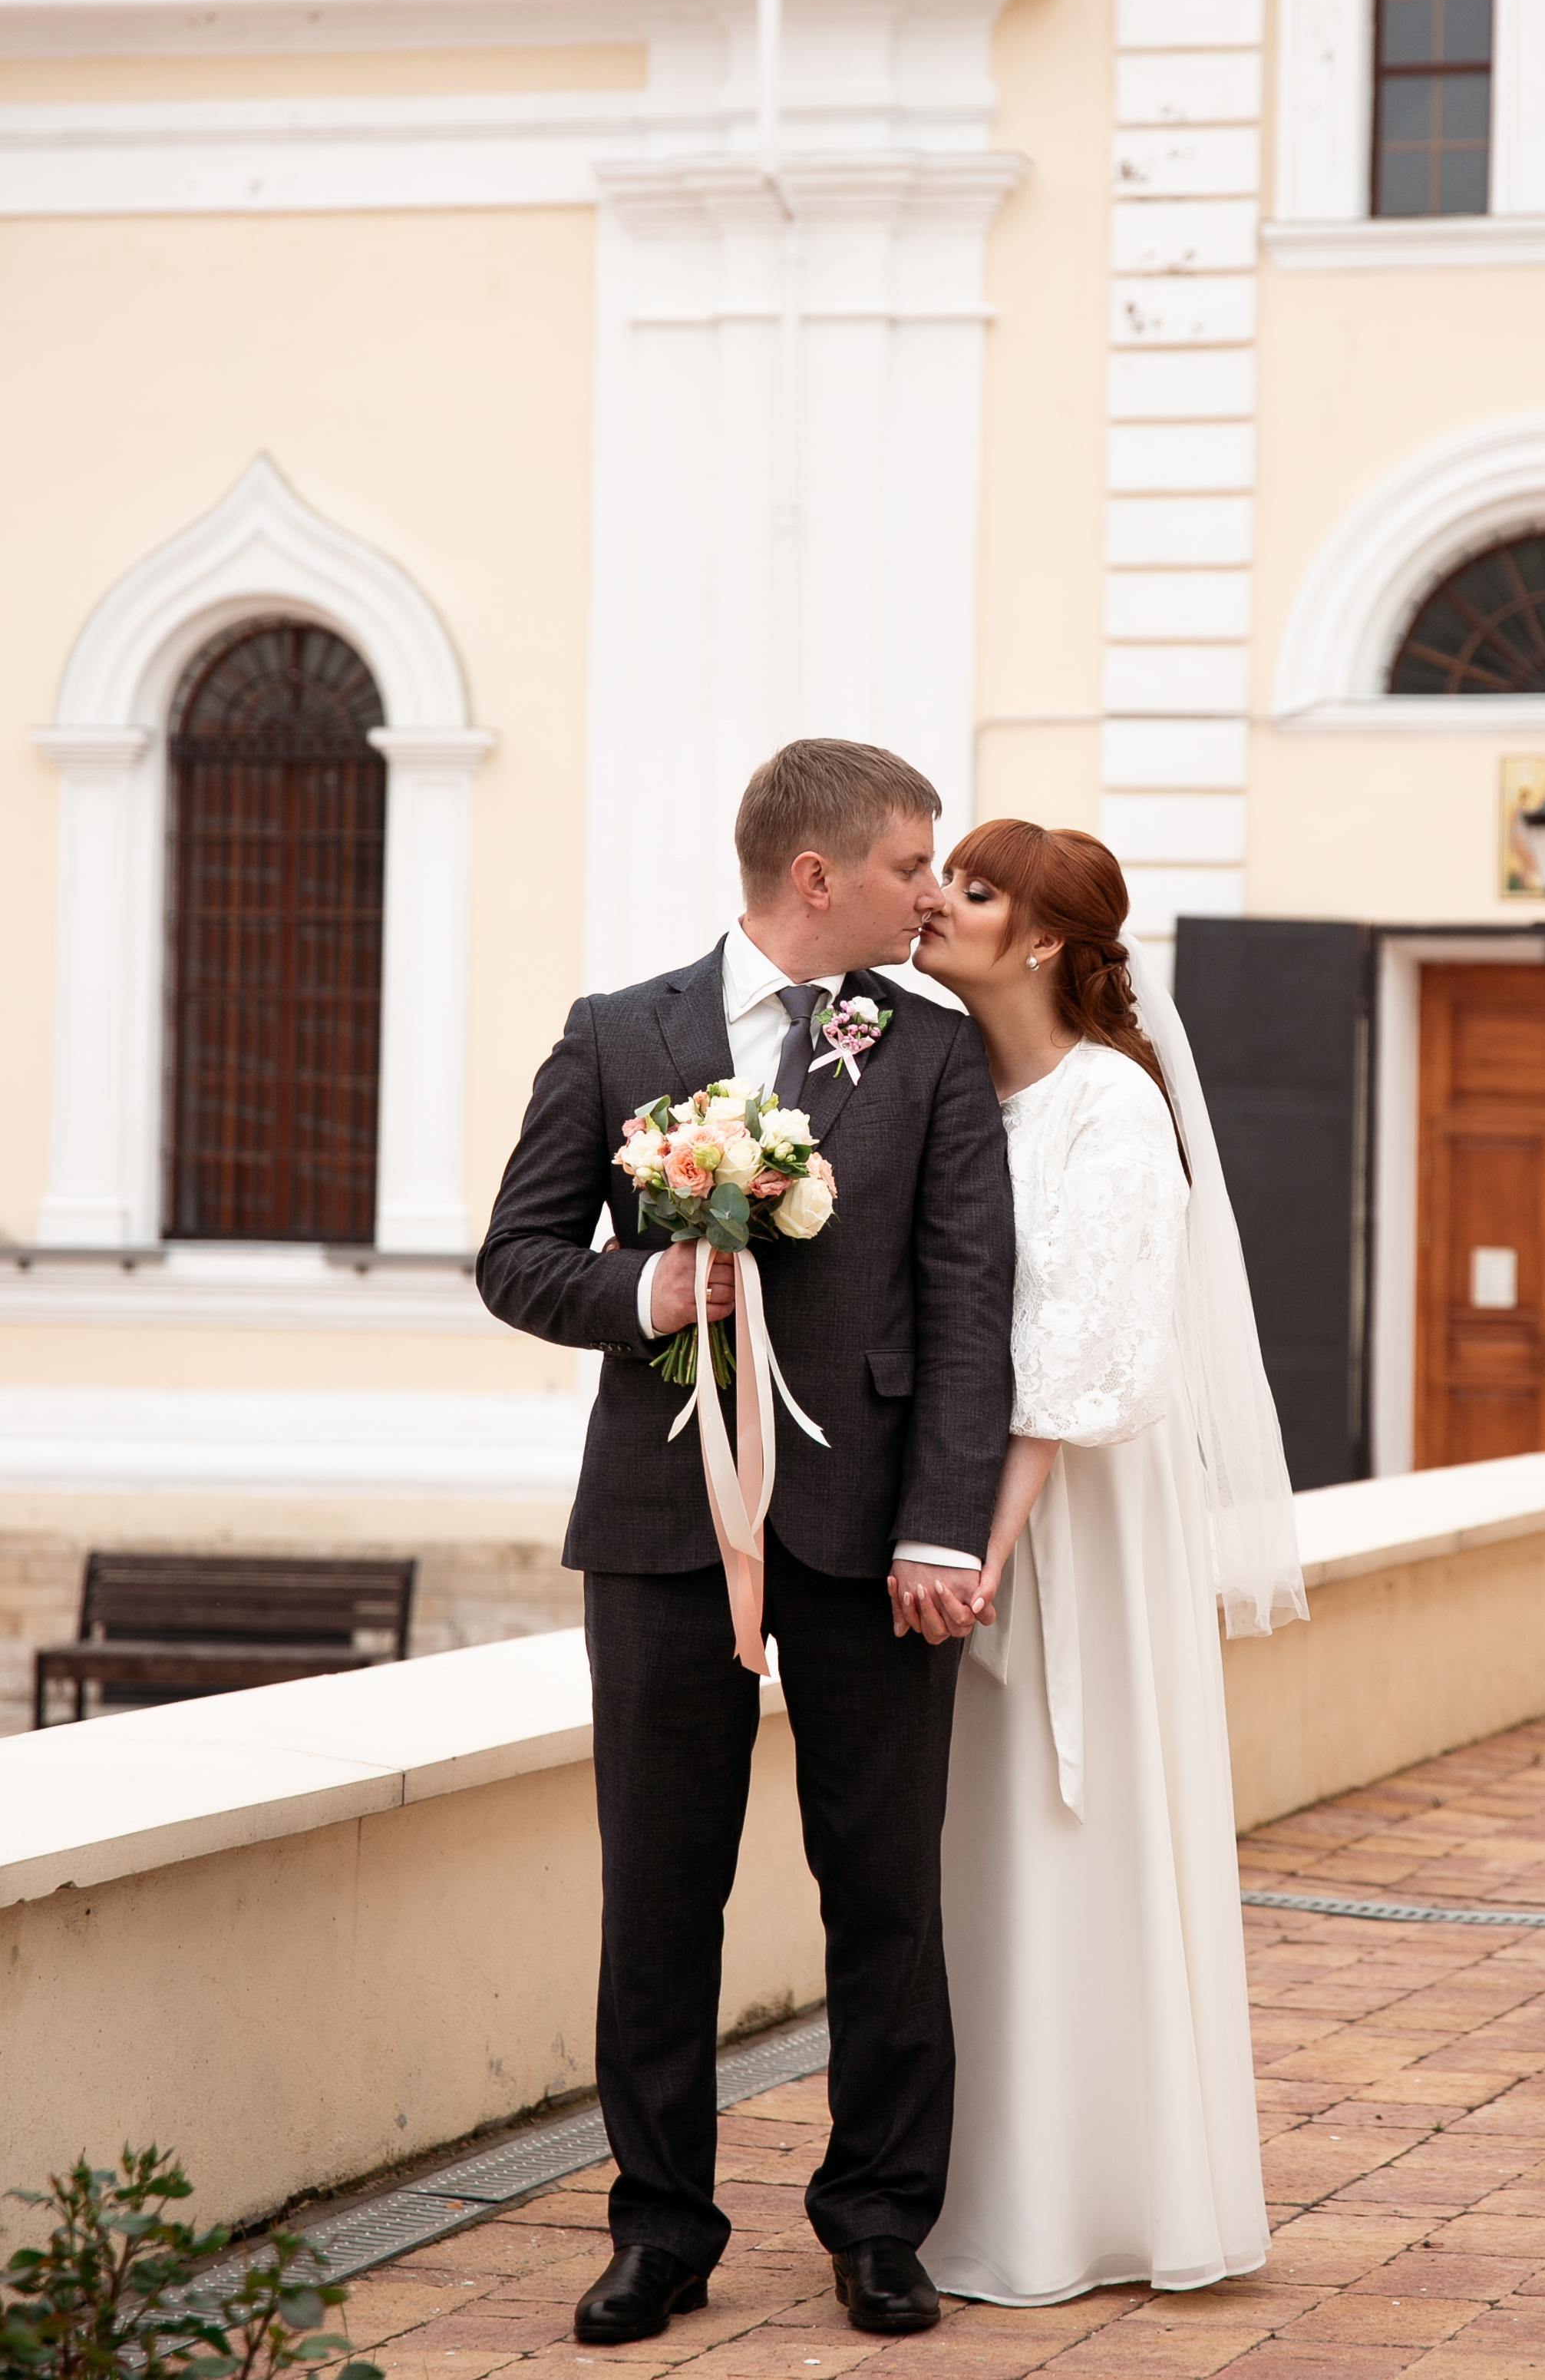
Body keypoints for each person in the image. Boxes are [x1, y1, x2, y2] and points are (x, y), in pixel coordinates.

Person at [476, 740, 1016, 2346]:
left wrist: (944, 1525)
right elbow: (515, 1257)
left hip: (870, 1532)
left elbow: (968, 1302)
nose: (931, 895)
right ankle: (660, 2227)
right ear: (815, 874)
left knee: (885, 1894)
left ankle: (880, 2222)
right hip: (660, 1524)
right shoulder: (615, 1031)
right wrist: (647, 1288)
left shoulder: (932, 1049)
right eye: (911, 865)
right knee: (657, 1894)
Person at [898, 819, 1306, 2306]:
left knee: (1073, 1826)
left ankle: (1103, 2200)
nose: (935, 899)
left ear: (1048, 942)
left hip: (1074, 1512)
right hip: (968, 1505)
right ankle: (983, 2188)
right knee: (976, 1853)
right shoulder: (949, 1087)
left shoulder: (1114, 1108)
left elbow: (1084, 1354)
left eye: (974, 889)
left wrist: (980, 1550)